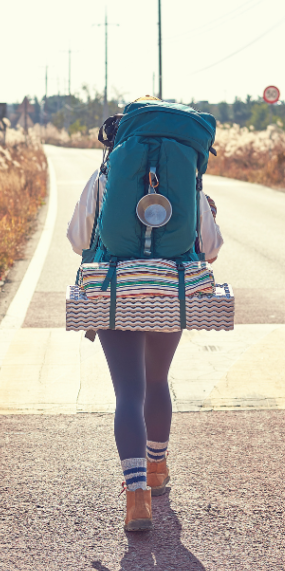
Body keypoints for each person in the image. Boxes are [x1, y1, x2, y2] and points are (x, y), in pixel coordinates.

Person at [67, 104, 224, 532]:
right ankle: (157, 470)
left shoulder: (104, 177)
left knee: (128, 394)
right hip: (169, 291)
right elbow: (210, 248)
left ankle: (136, 498)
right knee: (157, 382)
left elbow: (77, 238)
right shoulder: (187, 180)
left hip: (115, 289)